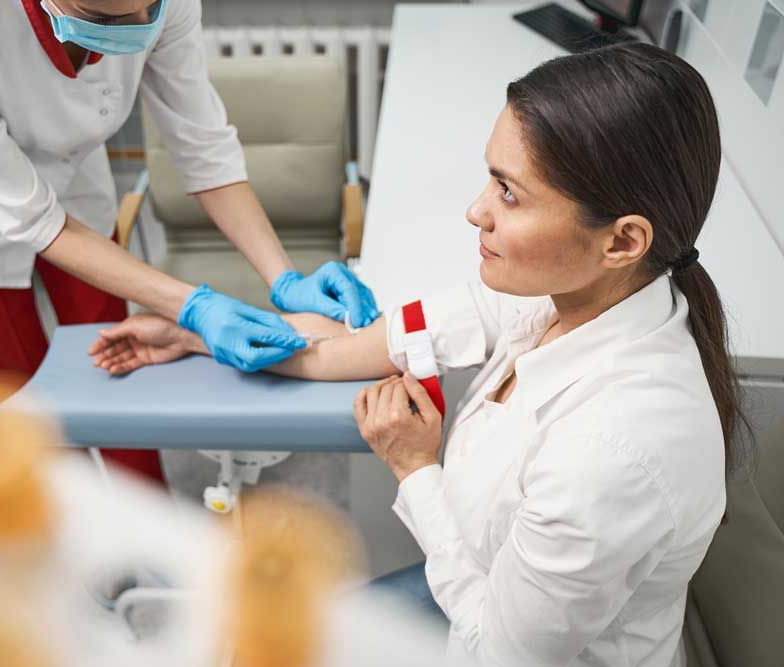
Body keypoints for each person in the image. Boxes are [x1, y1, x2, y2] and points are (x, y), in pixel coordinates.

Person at [86, 43, 748, 666]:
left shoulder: (614, 448)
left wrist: (414, 469)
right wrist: (199, 332)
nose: (474, 211)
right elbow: (360, 345)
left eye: (509, 193)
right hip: (477, 589)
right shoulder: (560, 295)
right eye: (490, 180)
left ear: (622, 240)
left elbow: (496, 651)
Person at [0, 0, 378, 484]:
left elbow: (202, 145)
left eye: (151, 7)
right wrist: (193, 308)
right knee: (28, 394)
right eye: (106, 19)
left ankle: (144, 504)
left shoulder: (163, 5)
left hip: (71, 167)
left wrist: (283, 276)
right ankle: (74, 518)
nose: (143, 26)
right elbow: (34, 218)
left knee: (118, 360)